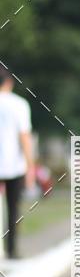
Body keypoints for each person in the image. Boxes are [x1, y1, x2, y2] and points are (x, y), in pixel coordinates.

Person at [0, 68, 35, 260]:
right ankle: (11, 249)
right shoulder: (19, 104)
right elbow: (24, 137)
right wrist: (31, 166)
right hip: (14, 165)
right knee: (13, 209)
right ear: (9, 83)